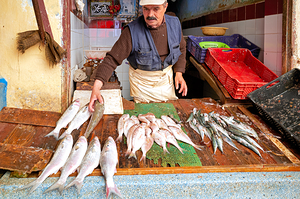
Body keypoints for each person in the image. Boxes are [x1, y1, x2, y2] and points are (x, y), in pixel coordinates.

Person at [89, 0, 187, 112]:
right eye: (146, 9)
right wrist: (96, 88)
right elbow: (112, 59)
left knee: (167, 113)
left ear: (165, 7)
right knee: (144, 116)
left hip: (166, 82)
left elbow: (181, 48)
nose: (150, 14)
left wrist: (179, 73)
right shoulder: (131, 31)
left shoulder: (175, 24)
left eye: (156, 9)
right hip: (141, 84)